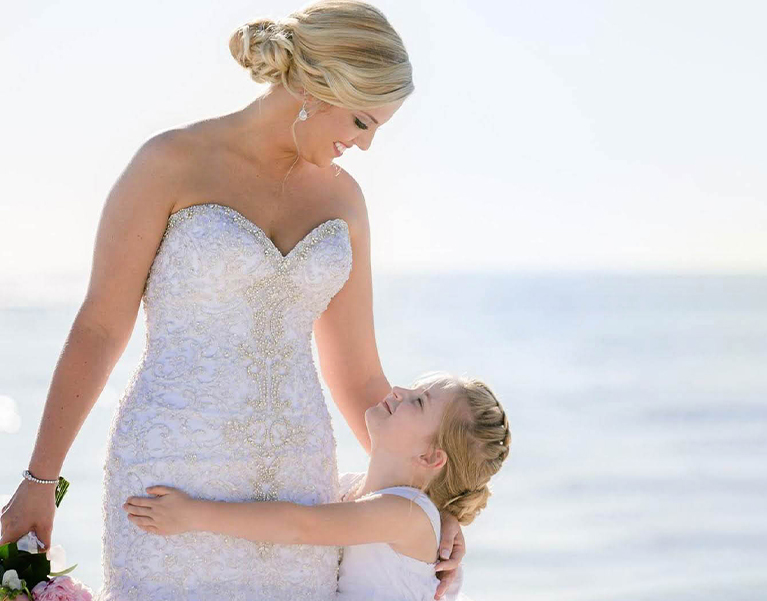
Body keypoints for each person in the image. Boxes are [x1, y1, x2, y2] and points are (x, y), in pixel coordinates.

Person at [0, 1, 467, 599]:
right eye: (362, 122)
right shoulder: (170, 162)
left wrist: (429, 507)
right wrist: (42, 478)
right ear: (317, 88)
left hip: (299, 482)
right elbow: (99, 328)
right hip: (169, 472)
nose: (366, 145)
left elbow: (358, 376)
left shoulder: (345, 202)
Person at [123, 373, 511, 601]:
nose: (398, 391)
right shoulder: (354, 490)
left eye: (419, 403)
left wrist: (194, 514)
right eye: (413, 389)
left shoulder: (406, 515)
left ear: (431, 458)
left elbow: (300, 525)